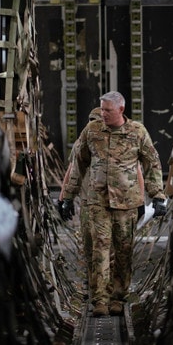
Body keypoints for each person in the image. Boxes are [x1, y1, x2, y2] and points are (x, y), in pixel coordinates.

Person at [57, 91, 167, 316]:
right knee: (100, 249)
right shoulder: (92, 131)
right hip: (98, 201)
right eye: (102, 109)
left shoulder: (137, 132)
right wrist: (67, 197)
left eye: (107, 110)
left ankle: (118, 297)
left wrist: (158, 196)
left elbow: (151, 164)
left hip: (127, 203)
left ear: (121, 110)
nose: (103, 114)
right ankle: (100, 300)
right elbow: (78, 165)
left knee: (124, 251)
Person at [59, 107, 102, 291]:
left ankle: (106, 286)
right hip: (87, 202)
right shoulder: (80, 143)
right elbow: (71, 170)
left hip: (111, 204)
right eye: (91, 121)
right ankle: (92, 282)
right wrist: (63, 198)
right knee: (89, 244)